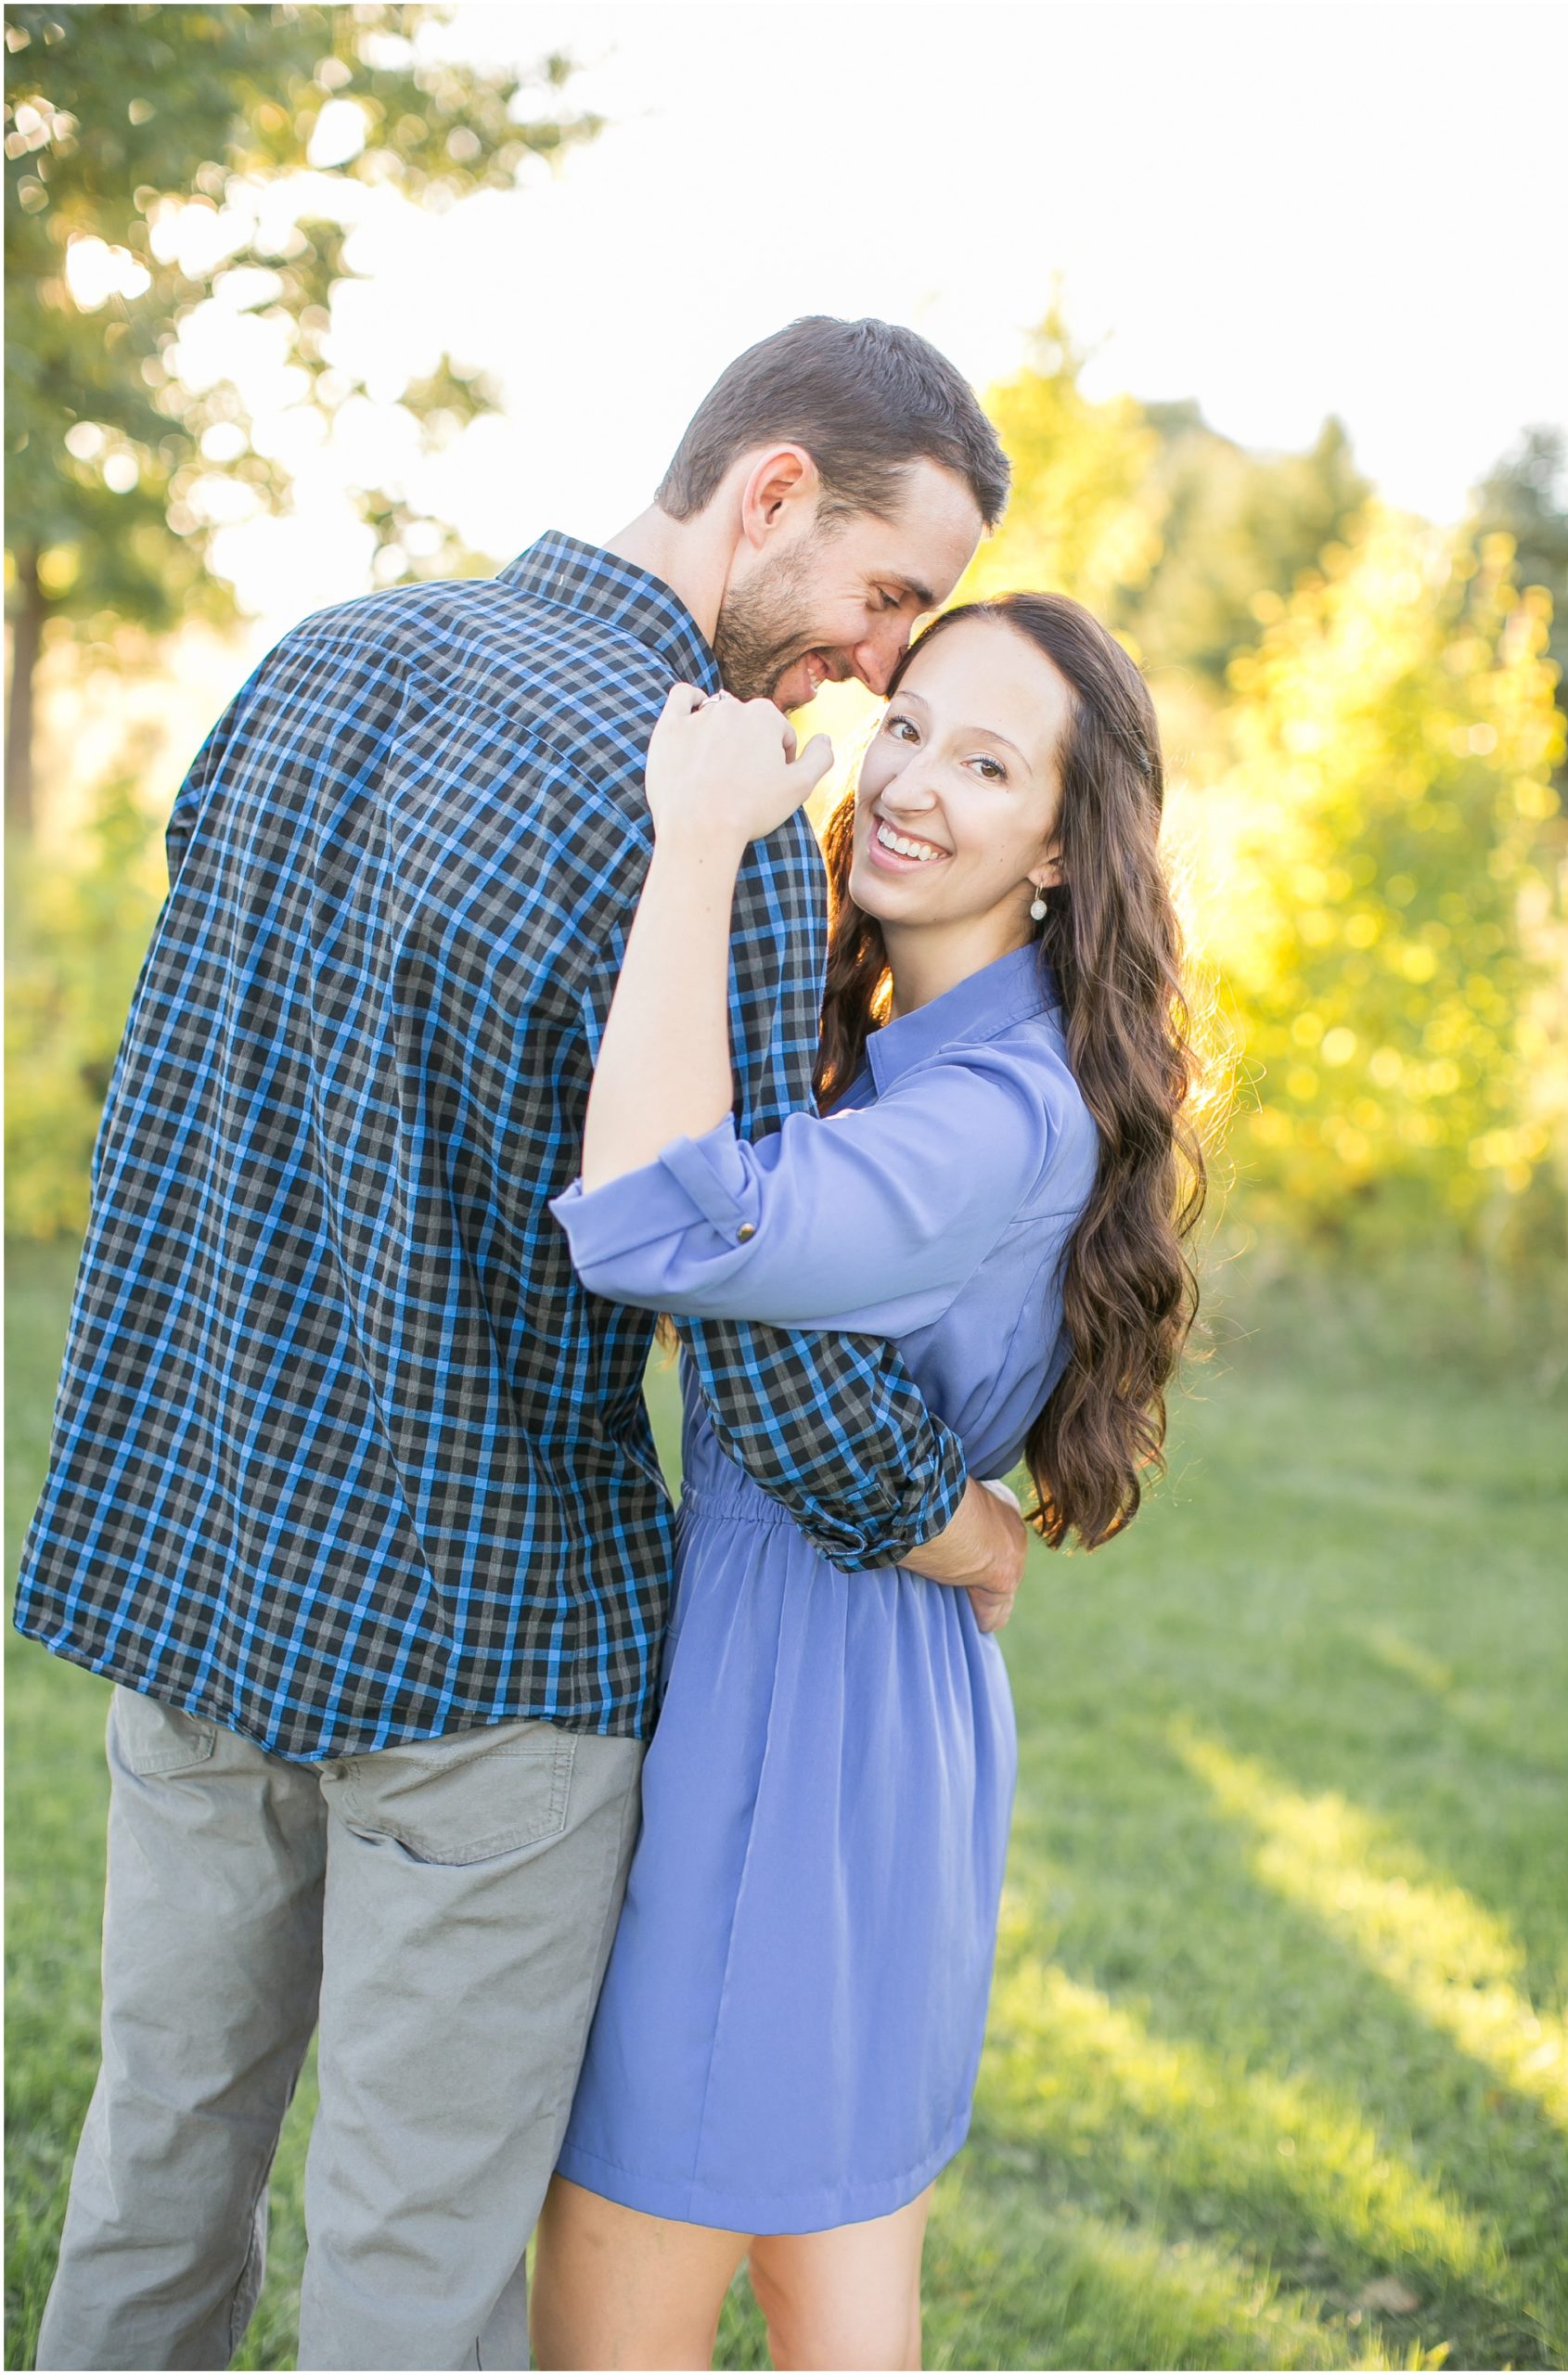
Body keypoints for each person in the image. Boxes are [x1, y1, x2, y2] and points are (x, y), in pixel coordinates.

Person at [13, 317, 1030, 2373]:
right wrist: (959, 1525)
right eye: (884, 592)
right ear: (770, 494)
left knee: (153, 2184)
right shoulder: (707, 826)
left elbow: (174, 1114)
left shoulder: (320, 662)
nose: (874, 665)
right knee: (413, 2268)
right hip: (484, 1675)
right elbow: (745, 1315)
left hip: (199, 1597)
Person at [533, 591, 1203, 2371]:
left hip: (799, 1733)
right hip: (863, 1701)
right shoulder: (912, 1047)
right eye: (904, 725)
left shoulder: (1002, 1110)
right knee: (835, 2300)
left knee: (624, 2311)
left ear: (1061, 844)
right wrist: (950, 1518)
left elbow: (669, 1226)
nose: (909, 781)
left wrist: (692, 846)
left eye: (987, 764)